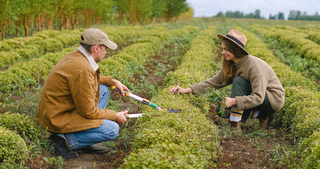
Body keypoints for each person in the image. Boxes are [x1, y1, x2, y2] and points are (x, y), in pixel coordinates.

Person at [35, 28, 129, 159]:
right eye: (105, 48)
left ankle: (83, 139)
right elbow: (88, 111)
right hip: (58, 117)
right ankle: (62, 138)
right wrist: (114, 115)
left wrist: (111, 81)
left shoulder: (76, 56)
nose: (106, 52)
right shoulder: (83, 68)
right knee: (112, 129)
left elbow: (86, 82)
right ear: (96, 48)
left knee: (102, 90)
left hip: (59, 109)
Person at [170, 29, 285, 131]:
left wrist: (234, 101)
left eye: (226, 49)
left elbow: (259, 97)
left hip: (272, 99)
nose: (222, 52)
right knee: (221, 109)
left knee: (239, 81)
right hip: (257, 97)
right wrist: (187, 90)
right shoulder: (231, 64)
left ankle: (235, 126)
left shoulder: (254, 67)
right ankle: (262, 115)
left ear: (235, 50)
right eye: (222, 49)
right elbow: (213, 82)